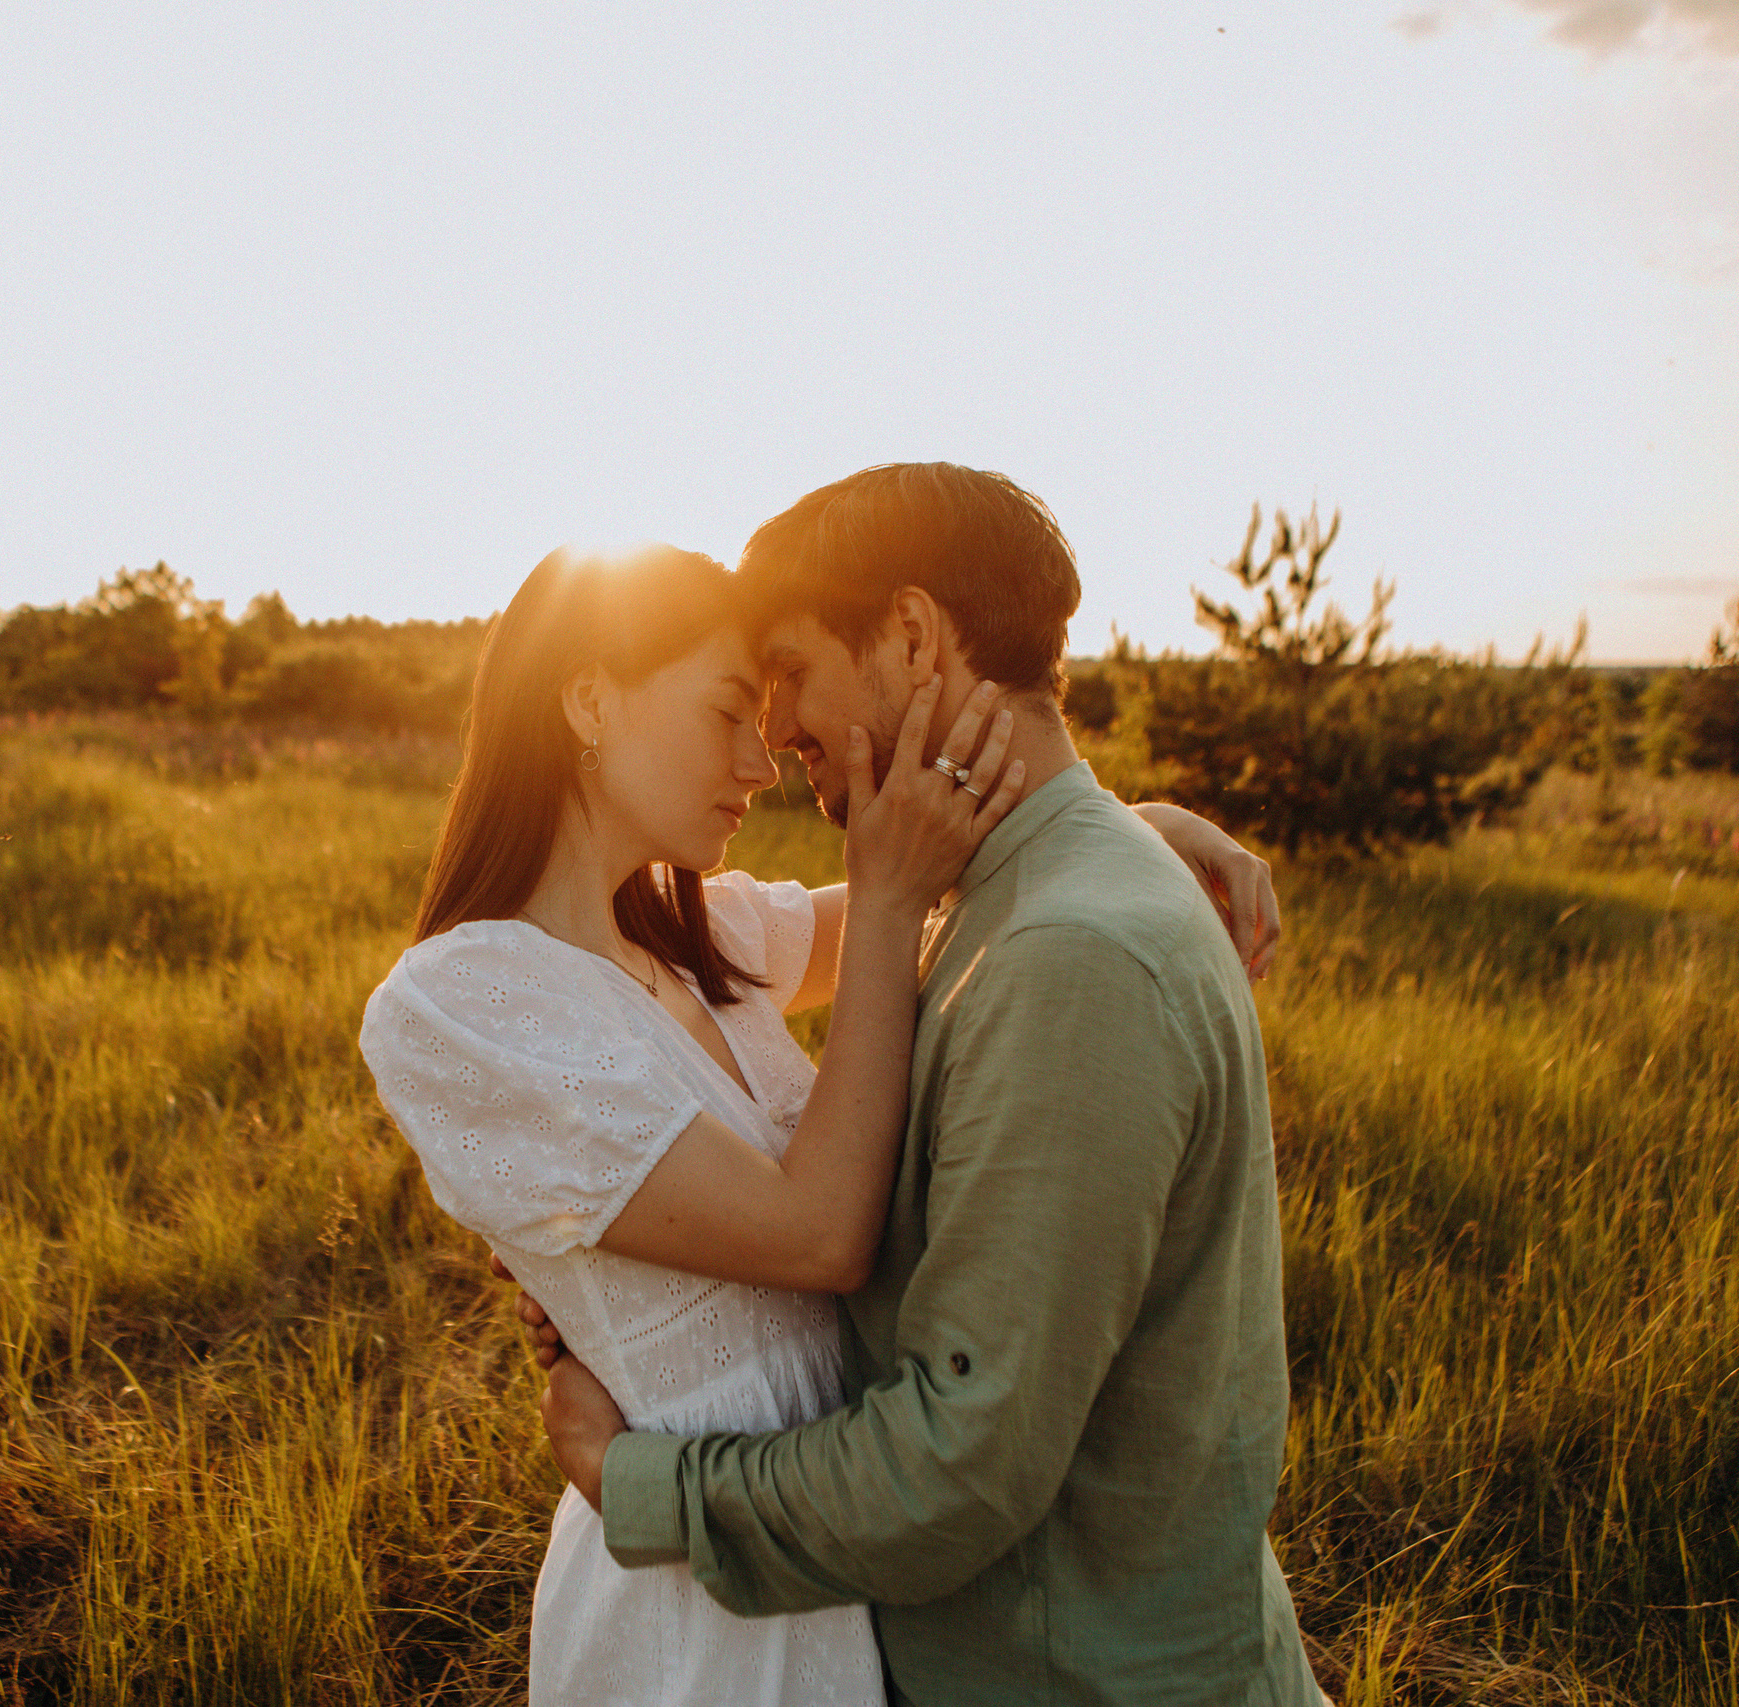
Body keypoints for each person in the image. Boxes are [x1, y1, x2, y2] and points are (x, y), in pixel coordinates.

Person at [357, 537, 1279, 1706]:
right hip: (697, 1601)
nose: (764, 759)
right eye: (729, 712)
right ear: (588, 698)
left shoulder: (702, 937)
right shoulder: (462, 999)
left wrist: (1127, 823)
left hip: (838, 1548)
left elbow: (970, 874)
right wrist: (887, 894)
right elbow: (819, 1236)